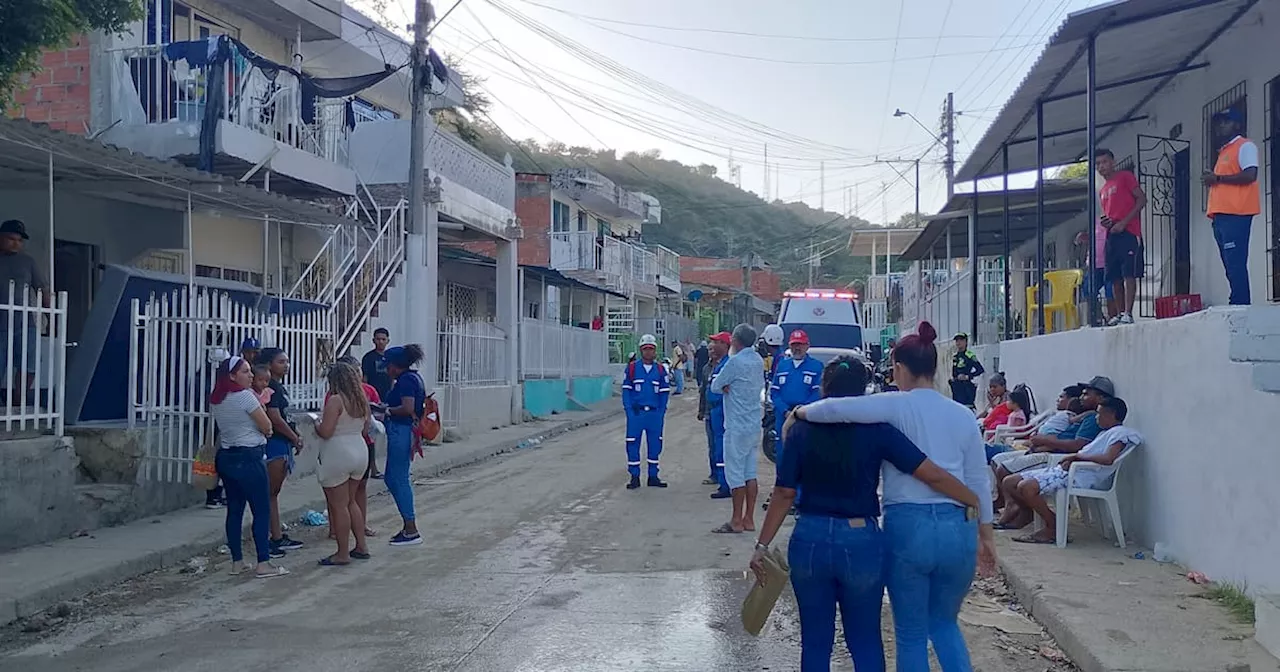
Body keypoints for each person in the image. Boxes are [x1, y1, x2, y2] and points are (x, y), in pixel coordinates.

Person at [789, 321, 997, 671]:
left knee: (911, 632)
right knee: (945, 624)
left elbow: (837, 409)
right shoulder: (964, 416)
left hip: (909, 527)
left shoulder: (894, 405)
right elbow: (978, 480)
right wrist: (986, 537)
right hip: (958, 528)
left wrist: (798, 413)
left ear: (899, 368)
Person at [1002, 397, 1141, 545]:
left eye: (1099, 414)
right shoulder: (1105, 433)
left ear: (1111, 415)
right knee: (1009, 482)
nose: (1096, 418)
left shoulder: (1120, 434)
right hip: (1066, 470)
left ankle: (1052, 526)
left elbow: (1108, 459)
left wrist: (1077, 457)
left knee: (1026, 487)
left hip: (1079, 476)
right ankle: (1030, 514)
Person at [208, 355, 288, 578]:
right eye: (245, 371)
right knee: (261, 510)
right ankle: (263, 562)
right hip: (249, 456)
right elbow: (266, 425)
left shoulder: (217, 398)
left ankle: (237, 561)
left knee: (234, 510)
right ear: (232, 376)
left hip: (227, 456)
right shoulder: (245, 397)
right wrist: (267, 430)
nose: (251, 375)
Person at [993, 377, 1112, 527]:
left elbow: (1077, 445)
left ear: (1101, 398)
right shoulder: (1085, 416)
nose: (1081, 397)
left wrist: (1046, 441)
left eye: (1086, 394)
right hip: (1050, 451)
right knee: (999, 462)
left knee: (1005, 470)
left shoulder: (1094, 420)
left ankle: (1028, 512)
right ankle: (1018, 507)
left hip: (1056, 457)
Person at [313, 361, 372, 565]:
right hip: (360, 450)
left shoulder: (335, 401)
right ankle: (361, 546)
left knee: (338, 506)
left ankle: (342, 553)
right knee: (351, 501)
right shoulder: (362, 400)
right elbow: (366, 430)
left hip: (338, 453)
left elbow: (326, 431)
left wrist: (316, 424)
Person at [709, 324, 764, 533]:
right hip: (753, 424)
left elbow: (715, 386)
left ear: (735, 341)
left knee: (735, 474)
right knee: (750, 473)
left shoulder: (735, 362)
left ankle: (736, 520)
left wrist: (725, 386)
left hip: (736, 425)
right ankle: (749, 518)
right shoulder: (758, 361)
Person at [1203, 108, 1260, 305]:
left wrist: (1217, 178)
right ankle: (1236, 299)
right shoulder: (1225, 151)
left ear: (1237, 125)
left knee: (1235, 261)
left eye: (1226, 122)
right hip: (1221, 215)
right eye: (1219, 122)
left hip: (1237, 213)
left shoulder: (1245, 146)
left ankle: (1240, 302)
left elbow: (1250, 174)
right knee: (1228, 263)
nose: (1221, 126)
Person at [258, 348, 304, 556]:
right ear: (268, 364)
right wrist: (295, 437)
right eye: (281, 361)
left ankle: (276, 536)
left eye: (287, 361)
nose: (286, 365)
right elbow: (275, 418)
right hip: (275, 443)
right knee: (269, 493)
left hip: (282, 443)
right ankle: (271, 538)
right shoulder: (271, 388)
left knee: (272, 494)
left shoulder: (278, 387)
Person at [0, 219, 50, 405]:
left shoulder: (27, 262)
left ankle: (18, 400)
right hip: (1, 324)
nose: (16, 243)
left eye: (20, 240)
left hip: (24, 323)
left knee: (30, 364)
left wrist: (50, 317)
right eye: (11, 239)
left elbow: (42, 289)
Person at [1096, 148, 1148, 325]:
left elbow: (1142, 200)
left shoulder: (1125, 177)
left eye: (1104, 162)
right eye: (1098, 164)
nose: (1101, 166)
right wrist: (1108, 223)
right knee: (1114, 276)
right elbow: (1111, 212)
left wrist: (1124, 223)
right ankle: (1118, 313)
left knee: (1129, 274)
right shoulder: (1102, 190)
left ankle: (1128, 312)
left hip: (1129, 231)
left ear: (1113, 162)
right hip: (1112, 234)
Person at [768, 329, 822, 502]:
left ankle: (799, 498)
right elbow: (774, 393)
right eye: (794, 345)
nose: (797, 348)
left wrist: (799, 412)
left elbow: (817, 393)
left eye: (800, 344)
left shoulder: (816, 367)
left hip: (804, 419)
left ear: (807, 346)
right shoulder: (782, 366)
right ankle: (782, 496)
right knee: (783, 457)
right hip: (782, 418)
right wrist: (785, 411)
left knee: (802, 457)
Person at [331, 355, 381, 534]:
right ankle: (338, 529)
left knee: (354, 492)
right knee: (342, 495)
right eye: (355, 370)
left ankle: (358, 527)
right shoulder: (338, 396)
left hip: (355, 445)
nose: (359, 373)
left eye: (359, 369)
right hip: (356, 446)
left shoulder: (366, 391)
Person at [383, 344, 426, 546]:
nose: (386, 370)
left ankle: (411, 528)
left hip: (402, 430)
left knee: (398, 478)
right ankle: (408, 525)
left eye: (388, 366)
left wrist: (388, 411)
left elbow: (407, 408)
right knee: (394, 478)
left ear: (395, 365)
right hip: (404, 430)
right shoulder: (411, 377)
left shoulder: (406, 380)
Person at [622, 334, 670, 489]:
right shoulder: (632, 369)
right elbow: (626, 392)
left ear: (655, 350)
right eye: (645, 349)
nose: (648, 352)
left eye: (651, 349)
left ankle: (653, 476)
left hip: (654, 414)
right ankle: (634, 476)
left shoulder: (661, 370)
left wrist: (661, 412)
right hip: (637, 414)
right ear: (641, 350)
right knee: (632, 443)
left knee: (655, 444)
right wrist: (629, 410)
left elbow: (664, 393)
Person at [704, 332, 732, 498]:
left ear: (725, 345)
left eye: (716, 342)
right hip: (714, 410)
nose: (712, 346)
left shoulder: (728, 365)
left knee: (722, 446)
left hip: (722, 410)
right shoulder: (717, 365)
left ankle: (725, 484)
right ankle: (721, 480)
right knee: (716, 446)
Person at [984, 387, 1030, 463]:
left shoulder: (1019, 415)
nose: (1007, 403)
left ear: (1015, 404)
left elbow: (1017, 428)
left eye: (1009, 401)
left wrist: (1006, 433)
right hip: (1007, 433)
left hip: (1012, 435)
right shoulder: (1014, 413)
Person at [949, 332, 984, 409]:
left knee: (967, 407)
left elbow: (980, 369)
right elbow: (954, 372)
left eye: (961, 340)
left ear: (965, 341)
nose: (958, 342)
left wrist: (968, 376)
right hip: (957, 387)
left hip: (966, 388)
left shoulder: (969, 355)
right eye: (957, 340)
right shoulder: (955, 356)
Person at [362, 328, 393, 400]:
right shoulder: (368, 357)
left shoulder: (391, 356)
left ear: (388, 341)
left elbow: (392, 378)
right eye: (378, 339)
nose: (381, 342)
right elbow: (365, 378)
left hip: (387, 394)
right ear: (373, 340)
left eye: (383, 339)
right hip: (372, 394)